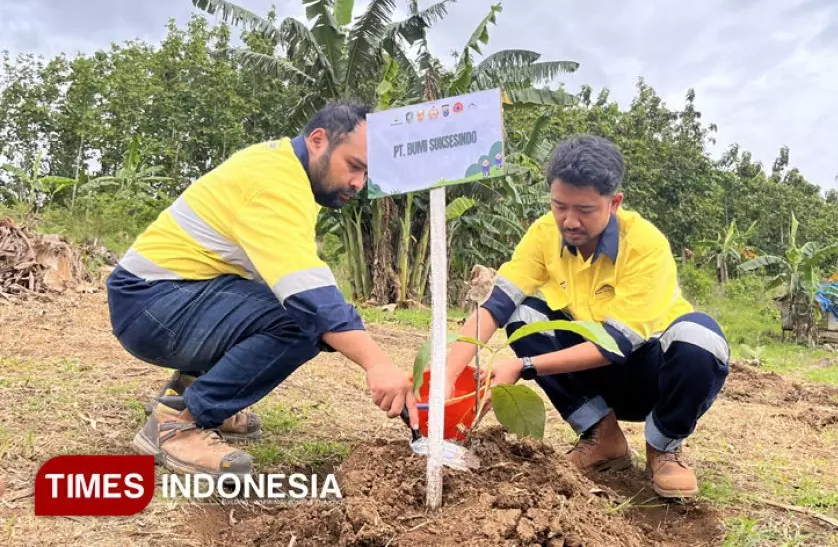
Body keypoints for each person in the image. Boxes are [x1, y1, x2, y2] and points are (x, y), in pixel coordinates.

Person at [107, 101, 419, 477]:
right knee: (300, 321)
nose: (359, 183)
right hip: (152, 305)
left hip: (166, 296)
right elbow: (312, 299)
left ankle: (186, 394)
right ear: (318, 140)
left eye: (367, 173)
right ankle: (179, 425)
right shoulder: (276, 183)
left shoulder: (283, 167)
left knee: (281, 306)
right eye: (354, 166)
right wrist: (378, 364)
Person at [445, 135, 729, 498]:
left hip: (652, 372)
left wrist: (523, 367)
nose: (569, 220)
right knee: (523, 312)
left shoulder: (646, 245)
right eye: (559, 206)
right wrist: (448, 375)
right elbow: (497, 304)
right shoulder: (544, 232)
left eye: (585, 210)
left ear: (614, 203)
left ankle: (663, 447)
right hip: (589, 372)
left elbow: (617, 345)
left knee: (701, 340)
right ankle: (602, 437)